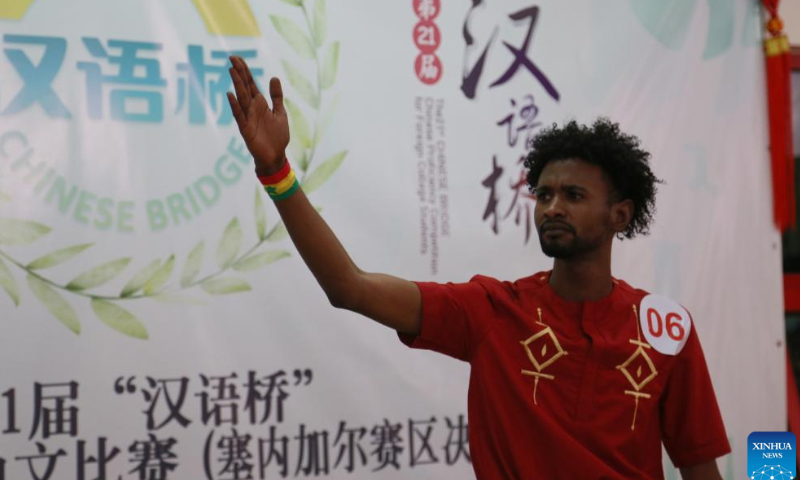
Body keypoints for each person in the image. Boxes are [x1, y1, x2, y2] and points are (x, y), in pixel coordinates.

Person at [226, 55, 730, 480]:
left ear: (620, 214)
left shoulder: (665, 329)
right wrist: (277, 172)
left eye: (573, 195)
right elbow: (349, 287)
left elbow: (698, 466)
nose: (552, 207)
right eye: (545, 194)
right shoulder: (493, 310)